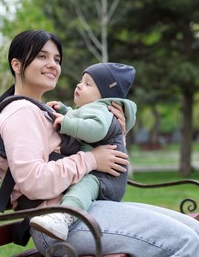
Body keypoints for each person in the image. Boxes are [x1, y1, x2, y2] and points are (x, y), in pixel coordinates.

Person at [0, 29, 199, 256]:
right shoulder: (20, 112)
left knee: (195, 231)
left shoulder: (43, 110)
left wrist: (116, 131)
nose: (53, 64)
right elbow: (34, 182)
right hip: (55, 223)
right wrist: (92, 159)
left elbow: (92, 149)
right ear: (17, 65)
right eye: (42, 57)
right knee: (185, 240)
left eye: (57, 59)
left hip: (81, 208)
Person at [30, 62, 137, 241]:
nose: (79, 85)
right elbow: (83, 118)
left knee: (84, 186)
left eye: (88, 84)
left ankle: (65, 218)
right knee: (84, 184)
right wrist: (65, 111)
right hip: (103, 170)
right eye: (81, 81)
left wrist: (67, 123)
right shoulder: (93, 109)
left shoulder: (103, 110)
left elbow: (95, 129)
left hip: (107, 177)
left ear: (104, 95)